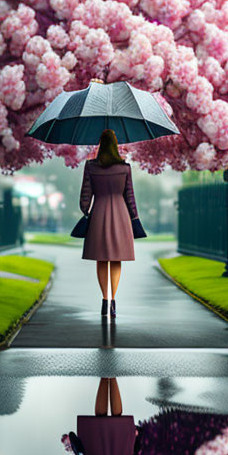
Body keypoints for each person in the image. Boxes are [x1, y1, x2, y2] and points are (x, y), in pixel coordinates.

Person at [79, 129, 139, 318]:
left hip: (99, 214)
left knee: (101, 259)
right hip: (121, 215)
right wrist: (135, 217)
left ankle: (104, 300)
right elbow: (130, 197)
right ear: (115, 146)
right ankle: (113, 299)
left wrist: (85, 210)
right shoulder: (125, 168)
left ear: (100, 146)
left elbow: (85, 198)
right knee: (116, 259)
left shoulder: (90, 166)